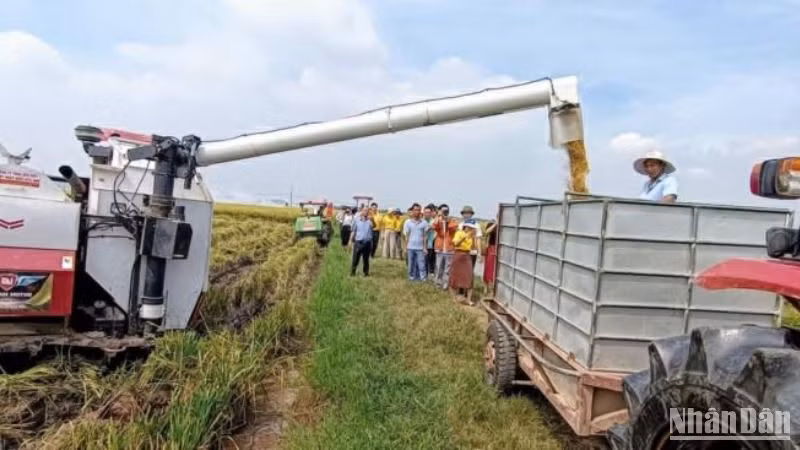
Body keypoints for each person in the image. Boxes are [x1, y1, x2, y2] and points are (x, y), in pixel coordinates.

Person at [432, 204, 460, 290]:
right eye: (443, 211)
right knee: (438, 267)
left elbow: (452, 228)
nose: (445, 213)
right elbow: (434, 227)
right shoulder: (438, 221)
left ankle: (445, 285)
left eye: (446, 211)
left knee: (447, 269)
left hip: (449, 249)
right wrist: (438, 217)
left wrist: (447, 220)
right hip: (440, 248)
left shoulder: (453, 220)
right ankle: (437, 284)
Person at [449, 222, 477, 305]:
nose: (472, 229)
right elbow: (455, 243)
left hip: (467, 255)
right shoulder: (459, 233)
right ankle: (454, 298)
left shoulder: (471, 235)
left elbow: (473, 247)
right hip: (458, 254)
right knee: (454, 276)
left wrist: (473, 237)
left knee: (469, 276)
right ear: (466, 227)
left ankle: (468, 299)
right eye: (470, 227)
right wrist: (465, 237)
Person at [403, 203, 429, 281]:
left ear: (420, 211)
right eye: (415, 210)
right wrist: (405, 247)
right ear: (412, 211)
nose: (417, 212)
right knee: (411, 264)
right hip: (410, 247)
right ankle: (411, 278)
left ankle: (423, 279)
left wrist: (425, 247)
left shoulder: (424, 223)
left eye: (418, 210)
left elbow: (425, 236)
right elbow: (406, 235)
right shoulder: (408, 222)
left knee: (421, 265)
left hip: (420, 247)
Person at [350, 206, 374, 276]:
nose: (366, 212)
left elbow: (374, 227)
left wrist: (372, 220)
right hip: (358, 242)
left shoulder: (370, 221)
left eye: (367, 211)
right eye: (364, 210)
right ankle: (353, 272)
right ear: (361, 211)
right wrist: (350, 241)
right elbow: (353, 231)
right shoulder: (356, 220)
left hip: (367, 242)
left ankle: (366, 273)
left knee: (366, 259)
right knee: (355, 259)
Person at [482, 219, 498, 293]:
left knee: (496, 269)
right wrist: (496, 224)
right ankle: (486, 287)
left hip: (499, 248)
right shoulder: (492, 224)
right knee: (488, 267)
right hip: (491, 248)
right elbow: (486, 232)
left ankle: (493, 288)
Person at [423, 204, 437, 278]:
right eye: (426, 212)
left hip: (431, 243)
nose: (427, 214)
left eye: (429, 212)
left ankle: (431, 273)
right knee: (423, 260)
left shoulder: (434, 221)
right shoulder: (421, 221)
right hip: (422, 245)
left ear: (431, 213)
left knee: (431, 259)